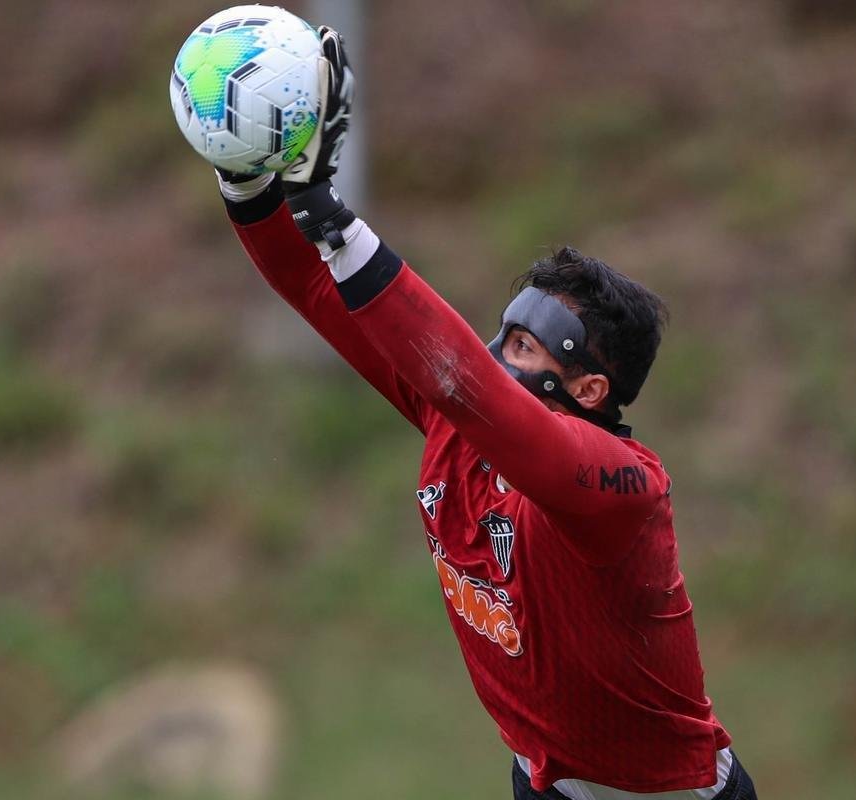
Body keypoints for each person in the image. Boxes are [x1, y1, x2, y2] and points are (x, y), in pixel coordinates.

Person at [216, 26, 757, 800]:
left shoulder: (624, 491)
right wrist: (248, 187)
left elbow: (489, 403)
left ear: (590, 390)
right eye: (499, 335)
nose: (496, 354)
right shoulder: (457, 421)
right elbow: (314, 292)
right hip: (541, 786)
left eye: (526, 346)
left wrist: (335, 220)